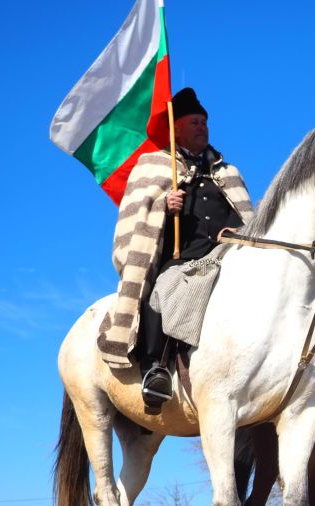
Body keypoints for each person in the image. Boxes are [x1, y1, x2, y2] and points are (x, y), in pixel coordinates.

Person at [101, 87, 254, 409]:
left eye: (204, 122)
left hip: (228, 255)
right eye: (194, 122)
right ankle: (155, 367)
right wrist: (162, 204)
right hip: (182, 256)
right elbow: (137, 213)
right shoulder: (153, 165)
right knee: (164, 287)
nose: (202, 127)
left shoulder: (228, 172)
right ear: (176, 129)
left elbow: (247, 216)